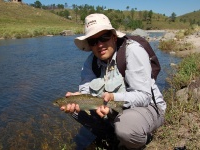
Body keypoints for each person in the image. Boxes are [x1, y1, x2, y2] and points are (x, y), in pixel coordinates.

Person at [60, 13, 166, 149]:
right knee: (75, 108)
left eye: (104, 38)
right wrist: (78, 98)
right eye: (93, 41)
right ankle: (111, 136)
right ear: (90, 45)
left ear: (114, 37)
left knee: (126, 129)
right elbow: (86, 90)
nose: (99, 45)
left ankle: (139, 138)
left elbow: (144, 96)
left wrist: (113, 98)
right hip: (112, 107)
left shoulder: (132, 51)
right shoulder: (90, 62)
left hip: (148, 108)